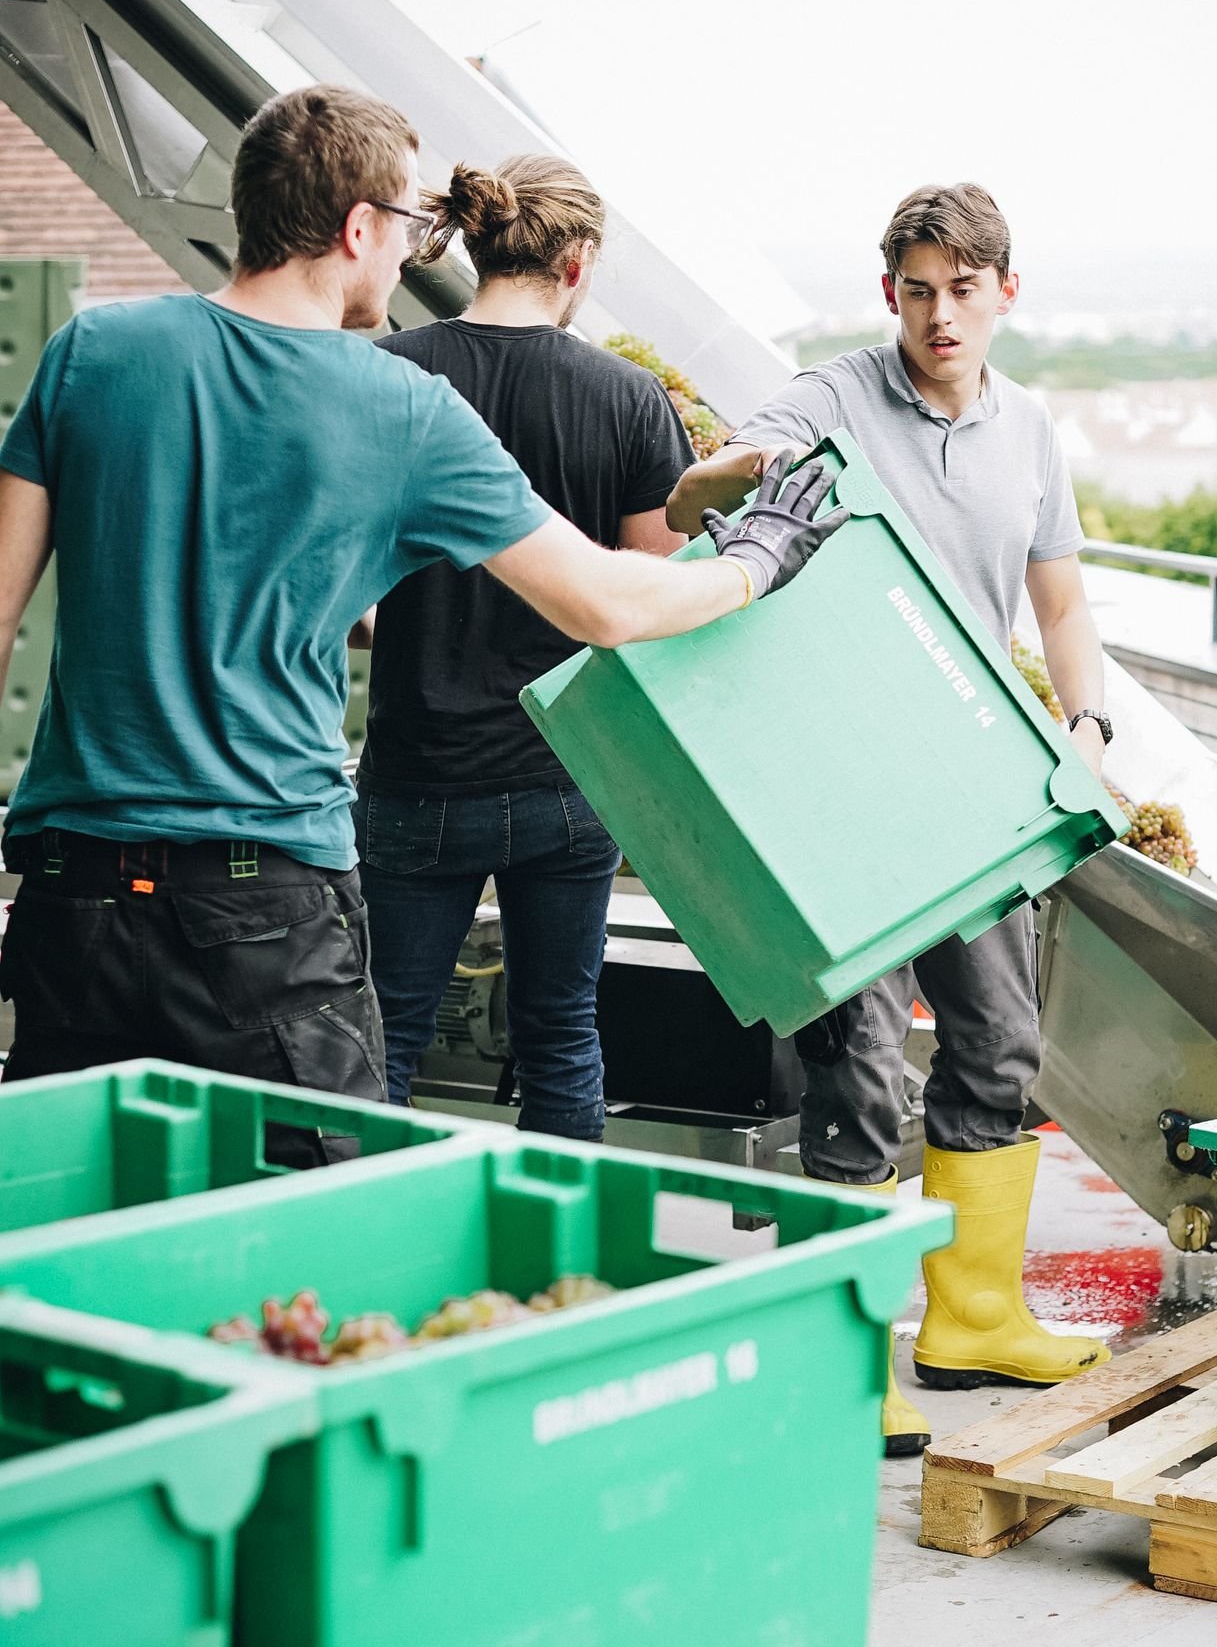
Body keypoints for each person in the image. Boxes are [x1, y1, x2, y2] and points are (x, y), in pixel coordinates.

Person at [0, 86, 840, 1102]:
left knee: (66, 1210)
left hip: (67, 884)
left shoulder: (92, 350)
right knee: (315, 1223)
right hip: (262, 892)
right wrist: (759, 555)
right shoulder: (401, 410)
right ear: (357, 228)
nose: (410, 254)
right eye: (404, 225)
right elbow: (609, 604)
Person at [671, 181, 1116, 1454]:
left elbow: (1063, 608)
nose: (938, 316)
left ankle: (971, 1317)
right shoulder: (831, 393)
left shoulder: (1028, 430)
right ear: (890, 295)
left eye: (962, 291)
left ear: (1003, 294)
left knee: (999, 1045)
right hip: (836, 787)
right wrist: (747, 473)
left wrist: (1083, 731)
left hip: (973, 789)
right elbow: (707, 490)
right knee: (858, 1064)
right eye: (916, 291)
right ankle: (845, 1354)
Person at [352, 155, 691, 1138]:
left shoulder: (395, 374)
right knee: (560, 1033)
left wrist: (420, 625)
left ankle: (377, 1267)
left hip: (419, 776)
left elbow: (342, 587)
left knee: (390, 1037)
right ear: (576, 263)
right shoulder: (629, 399)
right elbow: (650, 597)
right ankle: (564, 1278)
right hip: (570, 780)